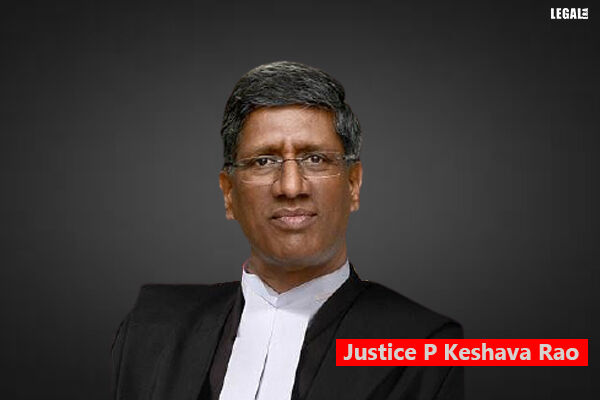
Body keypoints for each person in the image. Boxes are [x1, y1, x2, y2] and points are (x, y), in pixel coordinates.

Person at [112, 61, 463, 400]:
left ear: (353, 184)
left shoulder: (425, 346)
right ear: (229, 193)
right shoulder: (151, 328)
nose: (291, 187)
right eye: (264, 161)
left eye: (315, 159)